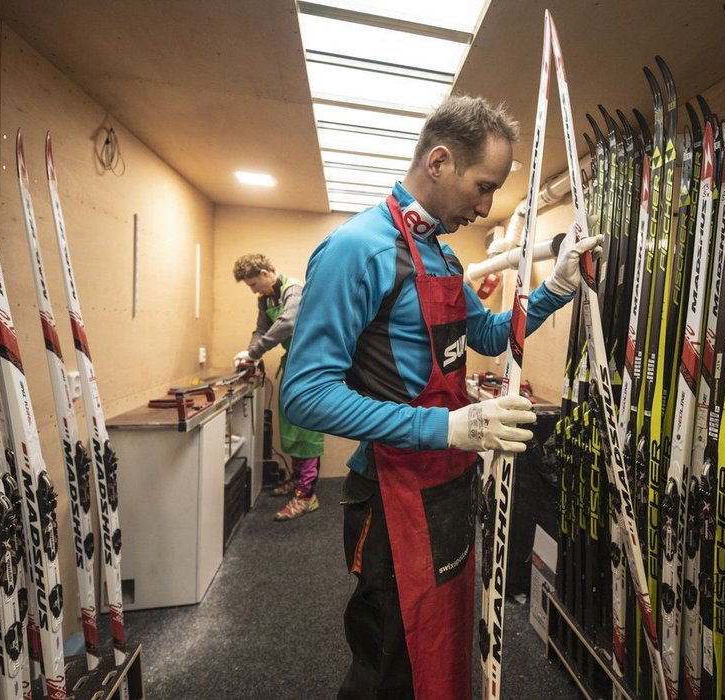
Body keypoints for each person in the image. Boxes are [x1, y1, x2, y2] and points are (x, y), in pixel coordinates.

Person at [280, 95, 600, 698]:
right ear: (439, 161)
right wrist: (450, 429)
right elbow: (304, 394)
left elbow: (481, 334)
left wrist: (556, 289)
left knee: (442, 649)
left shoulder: (440, 251)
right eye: (482, 187)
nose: (485, 207)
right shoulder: (360, 249)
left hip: (447, 484)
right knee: (388, 667)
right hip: (392, 490)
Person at [232, 254, 324, 521]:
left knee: (306, 427)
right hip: (293, 362)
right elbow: (261, 330)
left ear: (264, 272)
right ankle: (298, 481)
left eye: (253, 284)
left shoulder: (292, 288)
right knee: (291, 424)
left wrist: (256, 351)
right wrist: (251, 353)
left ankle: (307, 495)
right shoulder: (266, 299)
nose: (253, 290)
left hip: (311, 363)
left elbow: (289, 322)